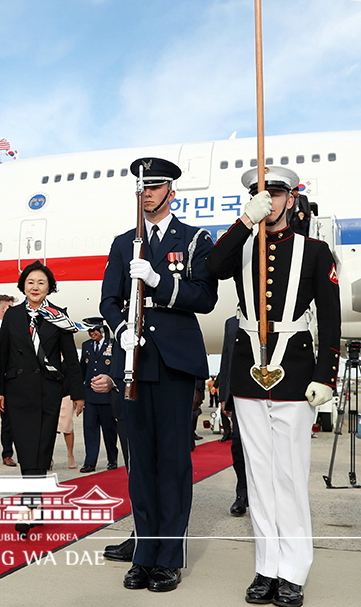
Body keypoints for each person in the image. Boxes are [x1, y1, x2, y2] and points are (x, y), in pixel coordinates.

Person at [207, 166, 339, 607]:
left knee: (290, 476)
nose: (270, 201)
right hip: (248, 373)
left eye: (277, 193)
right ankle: (267, 567)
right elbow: (211, 267)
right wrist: (246, 221)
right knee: (259, 478)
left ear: (291, 198)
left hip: (296, 373)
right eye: (262, 194)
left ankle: (294, 570)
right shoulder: (242, 246)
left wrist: (325, 374)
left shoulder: (316, 251)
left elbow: (331, 317)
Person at [98, 157, 218, 593]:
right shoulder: (123, 242)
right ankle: (145, 552)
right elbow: (109, 300)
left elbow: (204, 297)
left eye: (156, 185)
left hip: (174, 365)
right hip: (133, 364)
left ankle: (169, 557)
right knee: (140, 467)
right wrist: (122, 328)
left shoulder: (195, 240)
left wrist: (159, 282)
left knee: (171, 462)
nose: (146, 192)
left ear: (171, 192)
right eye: (141, 187)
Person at [0, 261, 84, 534]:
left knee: (43, 449)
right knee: (25, 449)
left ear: (49, 288)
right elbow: (2, 353)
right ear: (23, 285)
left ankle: (31, 504)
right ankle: (32, 503)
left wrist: (78, 393)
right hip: (18, 390)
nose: (35, 287)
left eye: (41, 283)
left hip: (49, 390)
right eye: (31, 282)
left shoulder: (58, 316)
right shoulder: (12, 316)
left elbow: (70, 356)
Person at [215, 315, 248, 517]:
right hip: (238, 395)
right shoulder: (232, 323)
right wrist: (224, 396)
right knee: (238, 447)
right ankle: (242, 495)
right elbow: (226, 359)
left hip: (267, 395)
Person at [79, 325, 119, 472]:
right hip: (90, 395)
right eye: (89, 331)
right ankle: (90, 462)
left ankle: (112, 458)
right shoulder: (86, 345)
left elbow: (115, 368)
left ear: (102, 330)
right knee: (89, 430)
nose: (91, 333)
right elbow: (82, 369)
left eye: (94, 330)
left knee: (109, 430)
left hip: (106, 396)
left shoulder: (113, 344)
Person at [0, 294, 17, 467]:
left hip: (10, 383)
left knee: (9, 421)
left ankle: (7, 454)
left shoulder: (11, 328)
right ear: (4, 309)